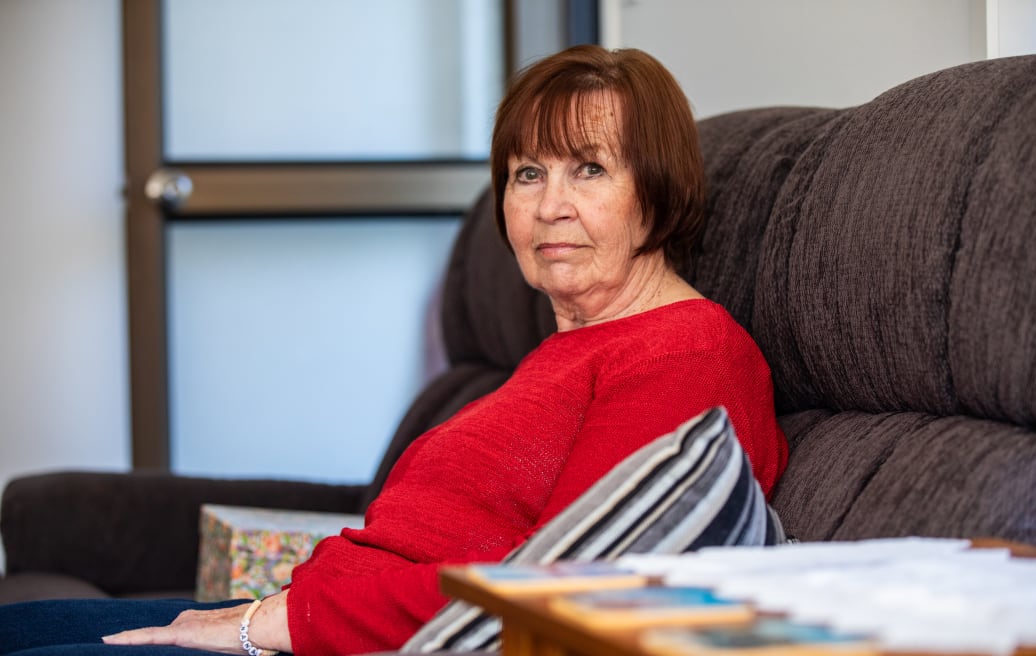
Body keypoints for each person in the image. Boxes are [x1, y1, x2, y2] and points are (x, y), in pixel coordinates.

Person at [0, 45, 788, 655]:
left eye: (589, 169)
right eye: (527, 173)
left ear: (658, 190)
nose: (551, 206)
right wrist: (278, 614)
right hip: (321, 623)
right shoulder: (562, 351)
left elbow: (567, 591)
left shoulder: (685, 352)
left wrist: (278, 624)